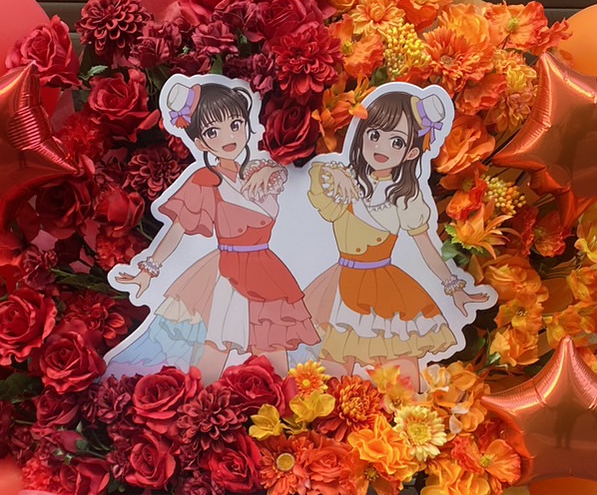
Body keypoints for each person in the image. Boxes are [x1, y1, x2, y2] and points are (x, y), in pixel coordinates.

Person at [106, 78, 317, 381]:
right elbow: (178, 229)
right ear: (201, 143)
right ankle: (197, 402)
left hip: (267, 271)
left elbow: (294, 178)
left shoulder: (261, 172)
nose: (228, 136)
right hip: (229, 275)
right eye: (212, 132)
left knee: (276, 354)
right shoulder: (205, 180)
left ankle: (289, 407)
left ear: (247, 125)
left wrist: (270, 168)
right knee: (214, 355)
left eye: (235, 124)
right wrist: (148, 271)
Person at [303, 87, 487, 381]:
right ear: (361, 134)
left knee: (401, 375)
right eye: (374, 134)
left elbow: (427, 248)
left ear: (411, 153)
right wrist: (335, 172)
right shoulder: (343, 180)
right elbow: (314, 188)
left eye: (396, 141)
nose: (382, 146)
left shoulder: (405, 199)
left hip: (387, 289)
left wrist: (454, 288)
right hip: (341, 287)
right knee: (332, 371)